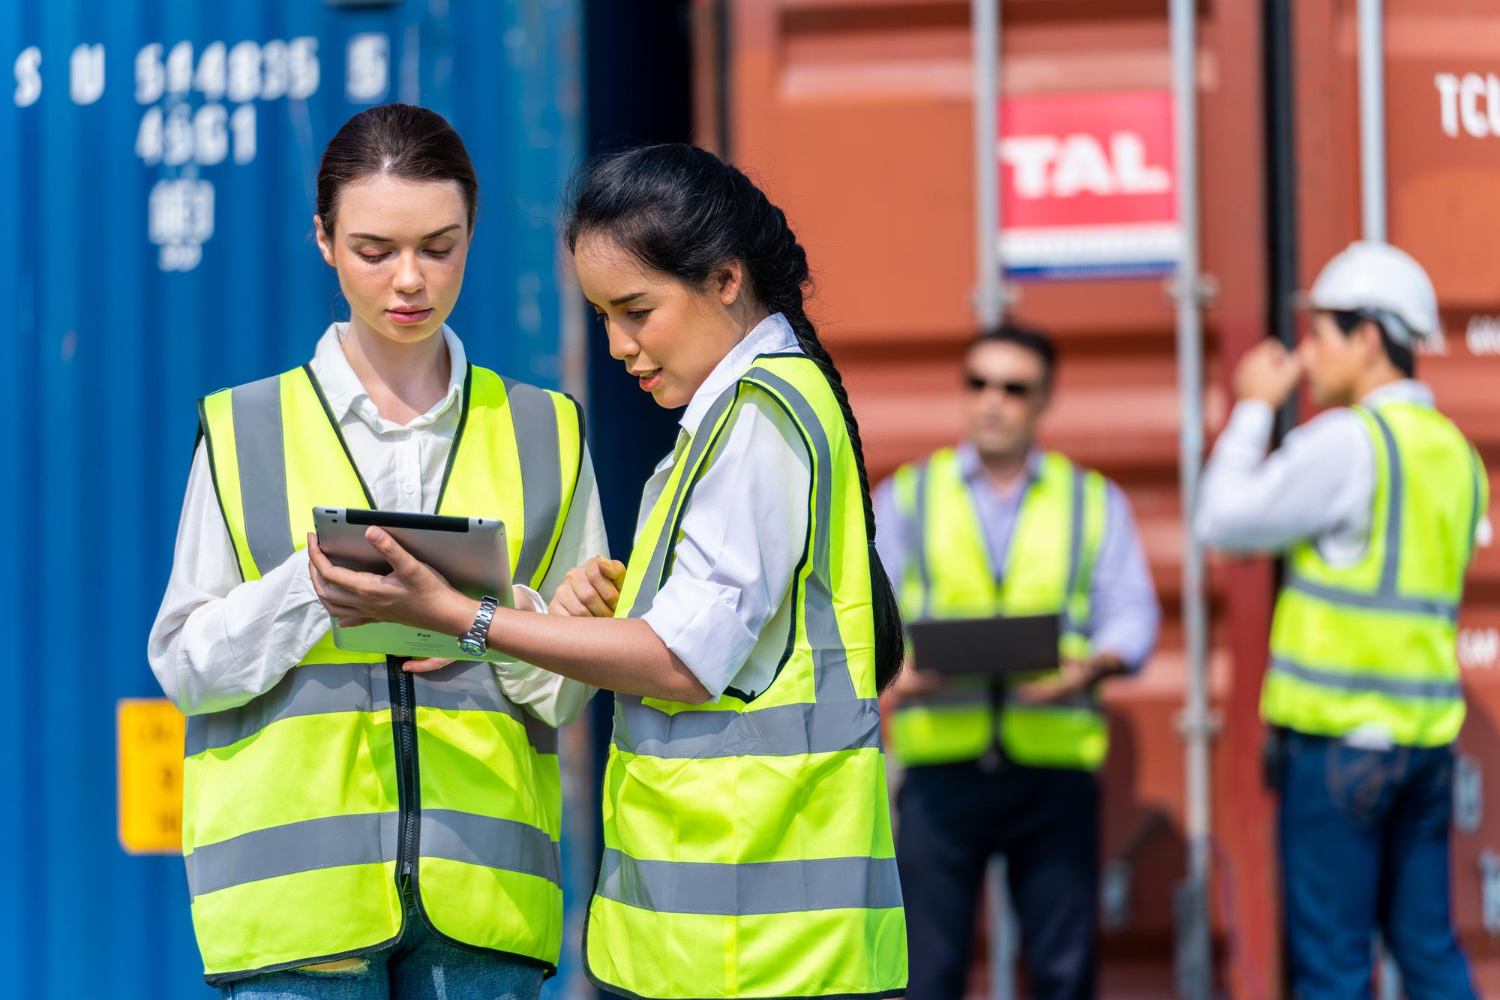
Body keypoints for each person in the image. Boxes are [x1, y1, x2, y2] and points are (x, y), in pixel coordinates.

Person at [304, 142, 909, 1000]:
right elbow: (720, 639)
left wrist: (465, 619)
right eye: (603, 317)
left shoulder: (757, 421)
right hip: (742, 940)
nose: (620, 345)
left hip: (760, 949)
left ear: (726, 280)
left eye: (637, 310)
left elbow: (682, 662)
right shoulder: (749, 411)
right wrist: (588, 615)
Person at [147, 104, 606, 997]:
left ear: (473, 231)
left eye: (440, 247)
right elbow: (184, 666)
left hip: (485, 905)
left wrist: (492, 620)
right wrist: (316, 588)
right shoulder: (244, 429)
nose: (410, 280)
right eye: (374, 250)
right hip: (297, 917)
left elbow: (566, 695)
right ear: (324, 240)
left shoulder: (547, 431)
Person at [1196, 241, 1487, 999]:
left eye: (1320, 332)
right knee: (1428, 952)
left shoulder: (1349, 442)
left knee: (1333, 969)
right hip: (1422, 747)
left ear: (1367, 337)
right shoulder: (1456, 455)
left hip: (1341, 754)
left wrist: (1255, 403)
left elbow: (1222, 518)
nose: (1305, 353)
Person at [873, 324, 1160, 1000]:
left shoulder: (1092, 501)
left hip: (1052, 771)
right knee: (926, 976)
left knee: (1063, 975)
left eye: (1014, 387)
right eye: (979, 383)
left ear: (1045, 399)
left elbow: (1134, 614)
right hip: (939, 772)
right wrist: (892, 670)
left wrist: (1088, 670)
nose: (993, 400)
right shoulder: (909, 496)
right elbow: (857, 614)